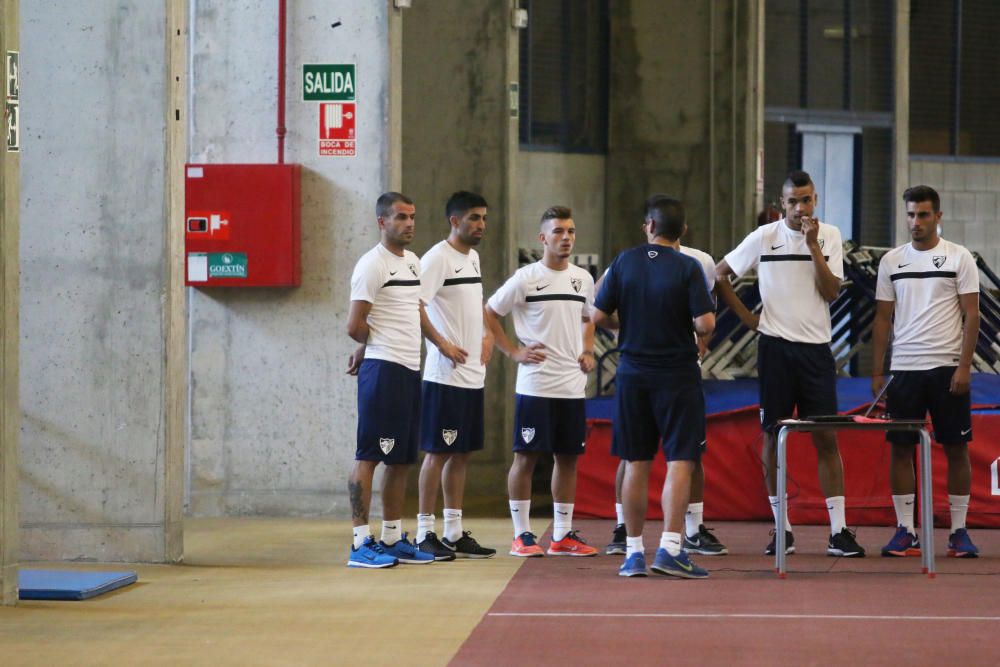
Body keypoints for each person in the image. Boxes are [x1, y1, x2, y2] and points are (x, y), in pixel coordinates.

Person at [715, 170, 865, 558]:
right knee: (772, 436)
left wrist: (814, 246)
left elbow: (831, 291)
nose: (801, 208)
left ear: (815, 200)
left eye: (807, 200)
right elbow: (719, 274)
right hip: (776, 348)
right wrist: (749, 319)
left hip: (816, 350)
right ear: (782, 204)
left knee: (825, 438)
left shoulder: (828, 235)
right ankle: (782, 528)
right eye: (794, 201)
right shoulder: (764, 237)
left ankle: (838, 531)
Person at [592, 196, 716, 578]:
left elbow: (596, 314)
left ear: (648, 225)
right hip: (677, 373)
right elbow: (706, 324)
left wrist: (629, 324)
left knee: (635, 462)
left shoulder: (625, 261)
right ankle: (670, 549)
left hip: (632, 374)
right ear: (683, 232)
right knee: (680, 459)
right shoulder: (688, 266)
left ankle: (632, 553)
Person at [345, 192, 466, 568]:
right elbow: (354, 326)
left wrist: (441, 343)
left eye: (412, 217)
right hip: (383, 372)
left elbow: (411, 312)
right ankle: (360, 542)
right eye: (400, 217)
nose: (409, 223)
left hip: (410, 370)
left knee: (400, 459)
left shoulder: (413, 262)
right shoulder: (371, 265)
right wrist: (370, 349)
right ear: (382, 221)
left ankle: (394, 538)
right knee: (370, 456)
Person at [871, 185, 981, 558]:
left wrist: (965, 366)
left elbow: (973, 314)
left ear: (938, 216)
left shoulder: (959, 257)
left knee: (956, 448)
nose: (915, 222)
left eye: (922, 215)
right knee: (901, 450)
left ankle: (959, 531)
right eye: (910, 215)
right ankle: (905, 530)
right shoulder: (891, 262)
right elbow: (882, 319)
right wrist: (876, 373)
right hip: (904, 371)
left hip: (948, 368)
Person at [485, 206, 598, 558]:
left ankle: (562, 535)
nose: (566, 238)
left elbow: (588, 317)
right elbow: (489, 312)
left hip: (571, 385)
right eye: (559, 232)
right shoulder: (525, 278)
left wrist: (588, 349)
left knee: (567, 459)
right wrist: (513, 352)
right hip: (535, 385)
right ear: (543, 238)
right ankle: (522, 535)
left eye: (571, 231)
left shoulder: (583, 278)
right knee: (526, 457)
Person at [414, 191, 497, 560]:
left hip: (472, 375)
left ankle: (452, 531)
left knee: (461, 454)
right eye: (474, 218)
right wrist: (441, 345)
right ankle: (423, 532)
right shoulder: (436, 258)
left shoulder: (473, 257)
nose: (480, 225)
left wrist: (487, 334)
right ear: (454, 221)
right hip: (443, 375)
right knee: (436, 453)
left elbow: (474, 304)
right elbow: (414, 305)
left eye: (483, 218)